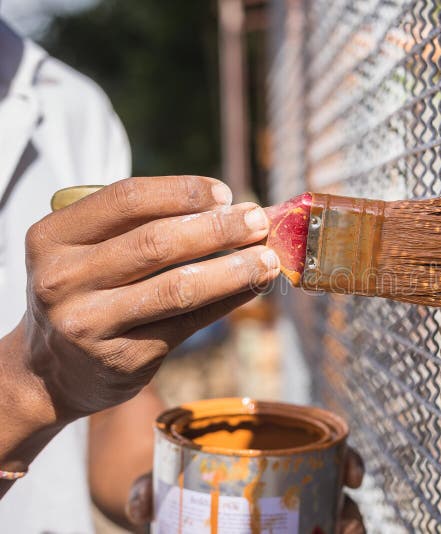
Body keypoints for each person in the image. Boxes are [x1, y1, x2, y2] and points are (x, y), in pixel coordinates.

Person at [0, 18, 364, 533]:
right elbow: (55, 382)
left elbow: (101, 412)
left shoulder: (73, 108)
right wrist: (34, 384)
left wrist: (209, 504)